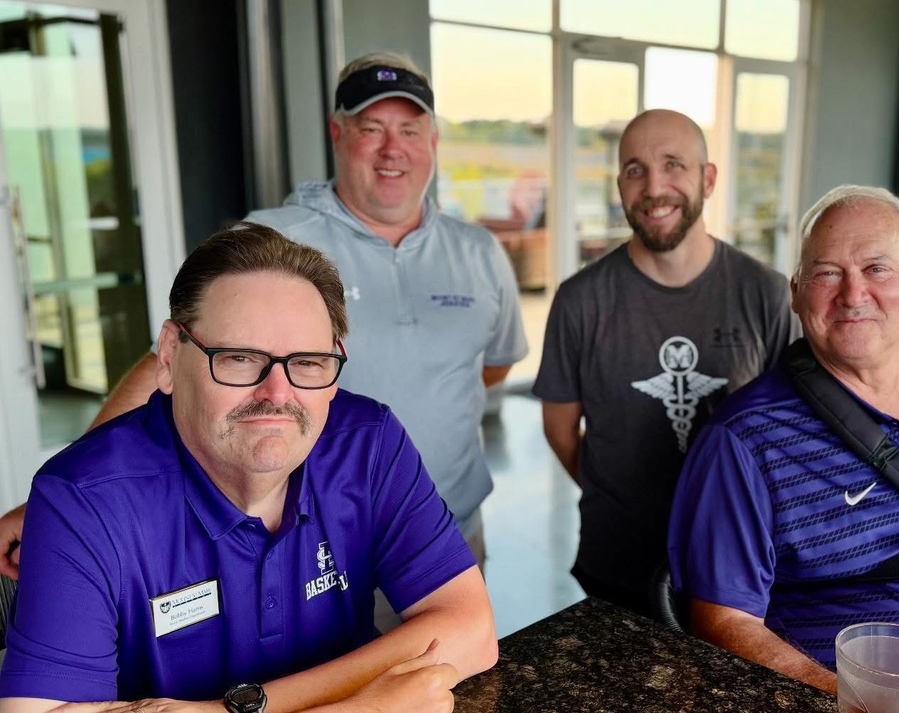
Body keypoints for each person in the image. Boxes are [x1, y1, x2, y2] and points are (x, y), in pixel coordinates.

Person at [0, 224, 498, 713]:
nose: (277, 393)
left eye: (309, 363)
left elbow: (469, 629)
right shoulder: (81, 500)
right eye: (239, 358)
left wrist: (233, 710)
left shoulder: (365, 442)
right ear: (168, 357)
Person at [0, 51, 527, 579]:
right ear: (337, 133)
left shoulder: (478, 251)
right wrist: (63, 495)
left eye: (410, 130)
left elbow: (489, 369)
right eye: (372, 127)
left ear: (433, 141)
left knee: (457, 656)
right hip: (310, 542)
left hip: (447, 529)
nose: (394, 149)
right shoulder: (273, 241)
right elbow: (170, 371)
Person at [668, 184, 899, 713]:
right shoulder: (744, 438)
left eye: (877, 268)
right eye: (827, 273)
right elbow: (725, 622)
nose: (854, 293)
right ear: (796, 294)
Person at [533, 109, 798, 615]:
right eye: (635, 169)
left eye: (674, 165)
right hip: (617, 562)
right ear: (620, 185)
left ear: (709, 178)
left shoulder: (765, 293)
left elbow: (786, 432)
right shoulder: (580, 300)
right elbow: (560, 427)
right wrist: (617, 495)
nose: (654, 187)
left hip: (735, 568)